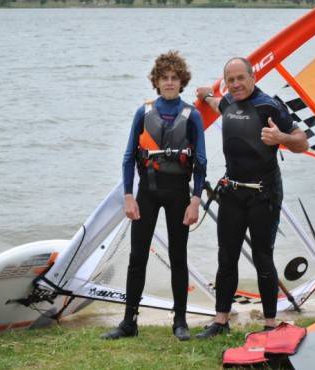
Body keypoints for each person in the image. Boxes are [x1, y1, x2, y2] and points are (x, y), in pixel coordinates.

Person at [195, 57, 308, 338]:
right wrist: (205, 93)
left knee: (263, 257)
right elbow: (215, 102)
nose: (235, 84)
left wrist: (280, 136)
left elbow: (302, 142)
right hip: (232, 192)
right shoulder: (228, 103)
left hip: (263, 195)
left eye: (240, 78)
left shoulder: (269, 105)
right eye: (230, 80)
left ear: (252, 77)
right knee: (226, 257)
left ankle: (270, 323)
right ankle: (221, 320)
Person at [101, 51, 207, 341]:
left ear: (181, 81)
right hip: (147, 191)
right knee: (137, 257)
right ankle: (128, 322)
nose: (170, 83)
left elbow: (201, 161)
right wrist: (128, 196)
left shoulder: (192, 115)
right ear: (156, 82)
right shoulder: (143, 112)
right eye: (165, 78)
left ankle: (180, 321)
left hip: (178, 195)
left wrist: (195, 199)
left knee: (178, 256)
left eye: (175, 78)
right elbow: (127, 157)